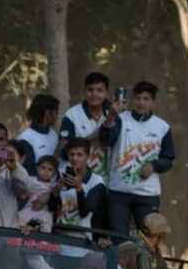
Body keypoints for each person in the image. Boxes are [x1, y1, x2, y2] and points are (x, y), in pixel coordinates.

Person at [100, 80, 175, 235]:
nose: (141, 102)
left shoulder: (162, 127)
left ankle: (147, 260)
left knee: (149, 238)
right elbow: (105, 141)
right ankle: (119, 261)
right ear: (132, 100)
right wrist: (112, 115)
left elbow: (168, 159)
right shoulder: (120, 118)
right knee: (118, 238)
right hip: (118, 192)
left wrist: (154, 166)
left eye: (146, 99)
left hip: (148, 195)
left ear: (153, 102)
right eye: (138, 98)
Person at [58, 71, 111, 174]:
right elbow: (64, 151)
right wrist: (93, 137)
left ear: (106, 93)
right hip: (75, 176)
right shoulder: (72, 115)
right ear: (84, 91)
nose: (94, 94)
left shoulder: (113, 113)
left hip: (105, 177)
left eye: (99, 90)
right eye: (90, 89)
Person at [55, 137, 107, 230]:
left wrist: (79, 189)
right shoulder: (61, 174)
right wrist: (55, 191)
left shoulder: (97, 182)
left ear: (88, 156)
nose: (75, 158)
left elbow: (84, 212)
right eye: (71, 154)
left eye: (79, 155)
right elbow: (52, 207)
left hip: (82, 234)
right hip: (58, 230)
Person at [14, 93, 61, 174]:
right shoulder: (25, 139)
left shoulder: (53, 133)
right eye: (56, 112)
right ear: (47, 113)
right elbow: (29, 173)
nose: (57, 116)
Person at [19, 155, 58, 230]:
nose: (46, 171)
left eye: (50, 169)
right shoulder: (31, 180)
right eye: (43, 168)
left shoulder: (54, 187)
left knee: (43, 231)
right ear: (37, 168)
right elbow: (22, 192)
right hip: (28, 210)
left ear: (54, 173)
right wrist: (25, 193)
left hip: (44, 214)